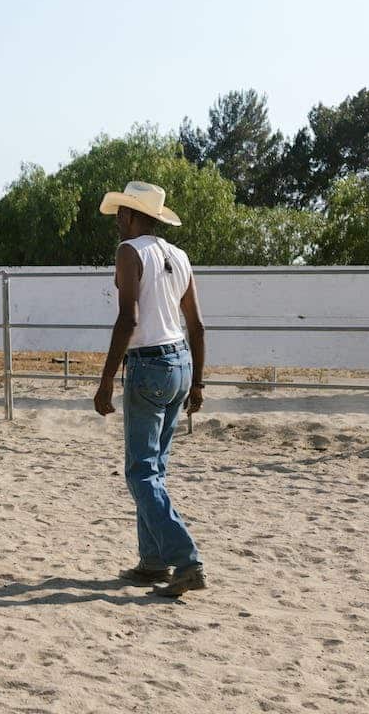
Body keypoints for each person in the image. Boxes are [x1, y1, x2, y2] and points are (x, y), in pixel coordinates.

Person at [93, 181, 207, 597]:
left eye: (121, 213)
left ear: (129, 215)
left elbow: (128, 319)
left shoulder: (130, 252)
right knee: (154, 469)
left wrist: (106, 379)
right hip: (180, 361)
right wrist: (197, 381)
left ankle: (185, 557)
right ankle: (153, 560)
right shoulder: (178, 256)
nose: (118, 221)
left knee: (140, 472)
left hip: (148, 365)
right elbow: (195, 323)